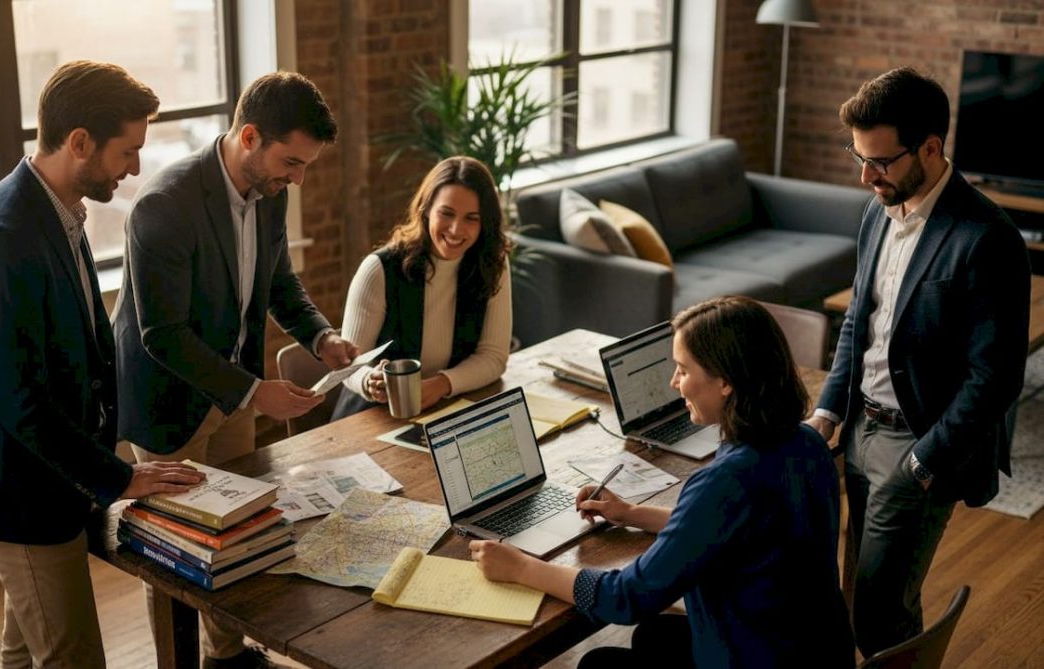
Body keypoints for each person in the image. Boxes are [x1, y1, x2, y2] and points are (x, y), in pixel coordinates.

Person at [0, 60, 206, 668]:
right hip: (18, 492)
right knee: (74, 657)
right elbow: (20, 404)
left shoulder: (61, 211)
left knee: (26, 649)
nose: (136, 167)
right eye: (127, 150)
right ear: (79, 141)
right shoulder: (0, 240)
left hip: (49, 480)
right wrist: (119, 477)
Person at [111, 71, 356, 668]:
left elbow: (276, 281)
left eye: (303, 167)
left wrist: (320, 335)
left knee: (237, 532)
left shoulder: (271, 191)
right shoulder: (164, 206)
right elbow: (162, 335)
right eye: (291, 162)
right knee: (175, 551)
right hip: (170, 405)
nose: (297, 178)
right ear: (249, 136)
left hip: (234, 398)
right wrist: (254, 392)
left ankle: (228, 658)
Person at [471, 296, 854, 669]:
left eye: (684, 370)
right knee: (654, 636)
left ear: (724, 382)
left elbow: (626, 597)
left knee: (599, 663)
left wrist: (521, 567)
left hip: (755, 655)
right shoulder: (806, 443)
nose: (674, 383)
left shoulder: (725, 481)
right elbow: (737, 526)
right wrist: (633, 513)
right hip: (815, 651)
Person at [805, 66, 1031, 657]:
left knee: (881, 614)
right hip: (856, 427)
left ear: (930, 149)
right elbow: (860, 319)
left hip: (918, 445)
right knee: (856, 592)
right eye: (859, 157)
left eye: (880, 161)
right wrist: (829, 408)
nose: (865, 176)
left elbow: (996, 378)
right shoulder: (877, 211)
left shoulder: (988, 239)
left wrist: (924, 464)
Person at [331, 156, 511, 419]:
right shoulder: (379, 269)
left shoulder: (492, 263)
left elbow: (493, 357)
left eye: (471, 218)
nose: (455, 229)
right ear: (425, 210)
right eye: (446, 213)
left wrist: (441, 384)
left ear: (485, 223)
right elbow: (347, 368)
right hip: (374, 417)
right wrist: (370, 380)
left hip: (445, 412)